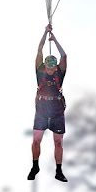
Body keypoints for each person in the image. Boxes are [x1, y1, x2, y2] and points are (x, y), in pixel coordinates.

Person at [28, 24, 68, 182]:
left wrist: (55, 38)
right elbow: (39, 50)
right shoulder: (40, 71)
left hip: (57, 111)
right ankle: (35, 166)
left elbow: (64, 56)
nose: (51, 70)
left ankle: (59, 171)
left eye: (53, 67)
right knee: (36, 140)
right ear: (45, 65)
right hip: (42, 111)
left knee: (58, 142)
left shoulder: (59, 71)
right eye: (49, 67)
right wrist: (45, 33)